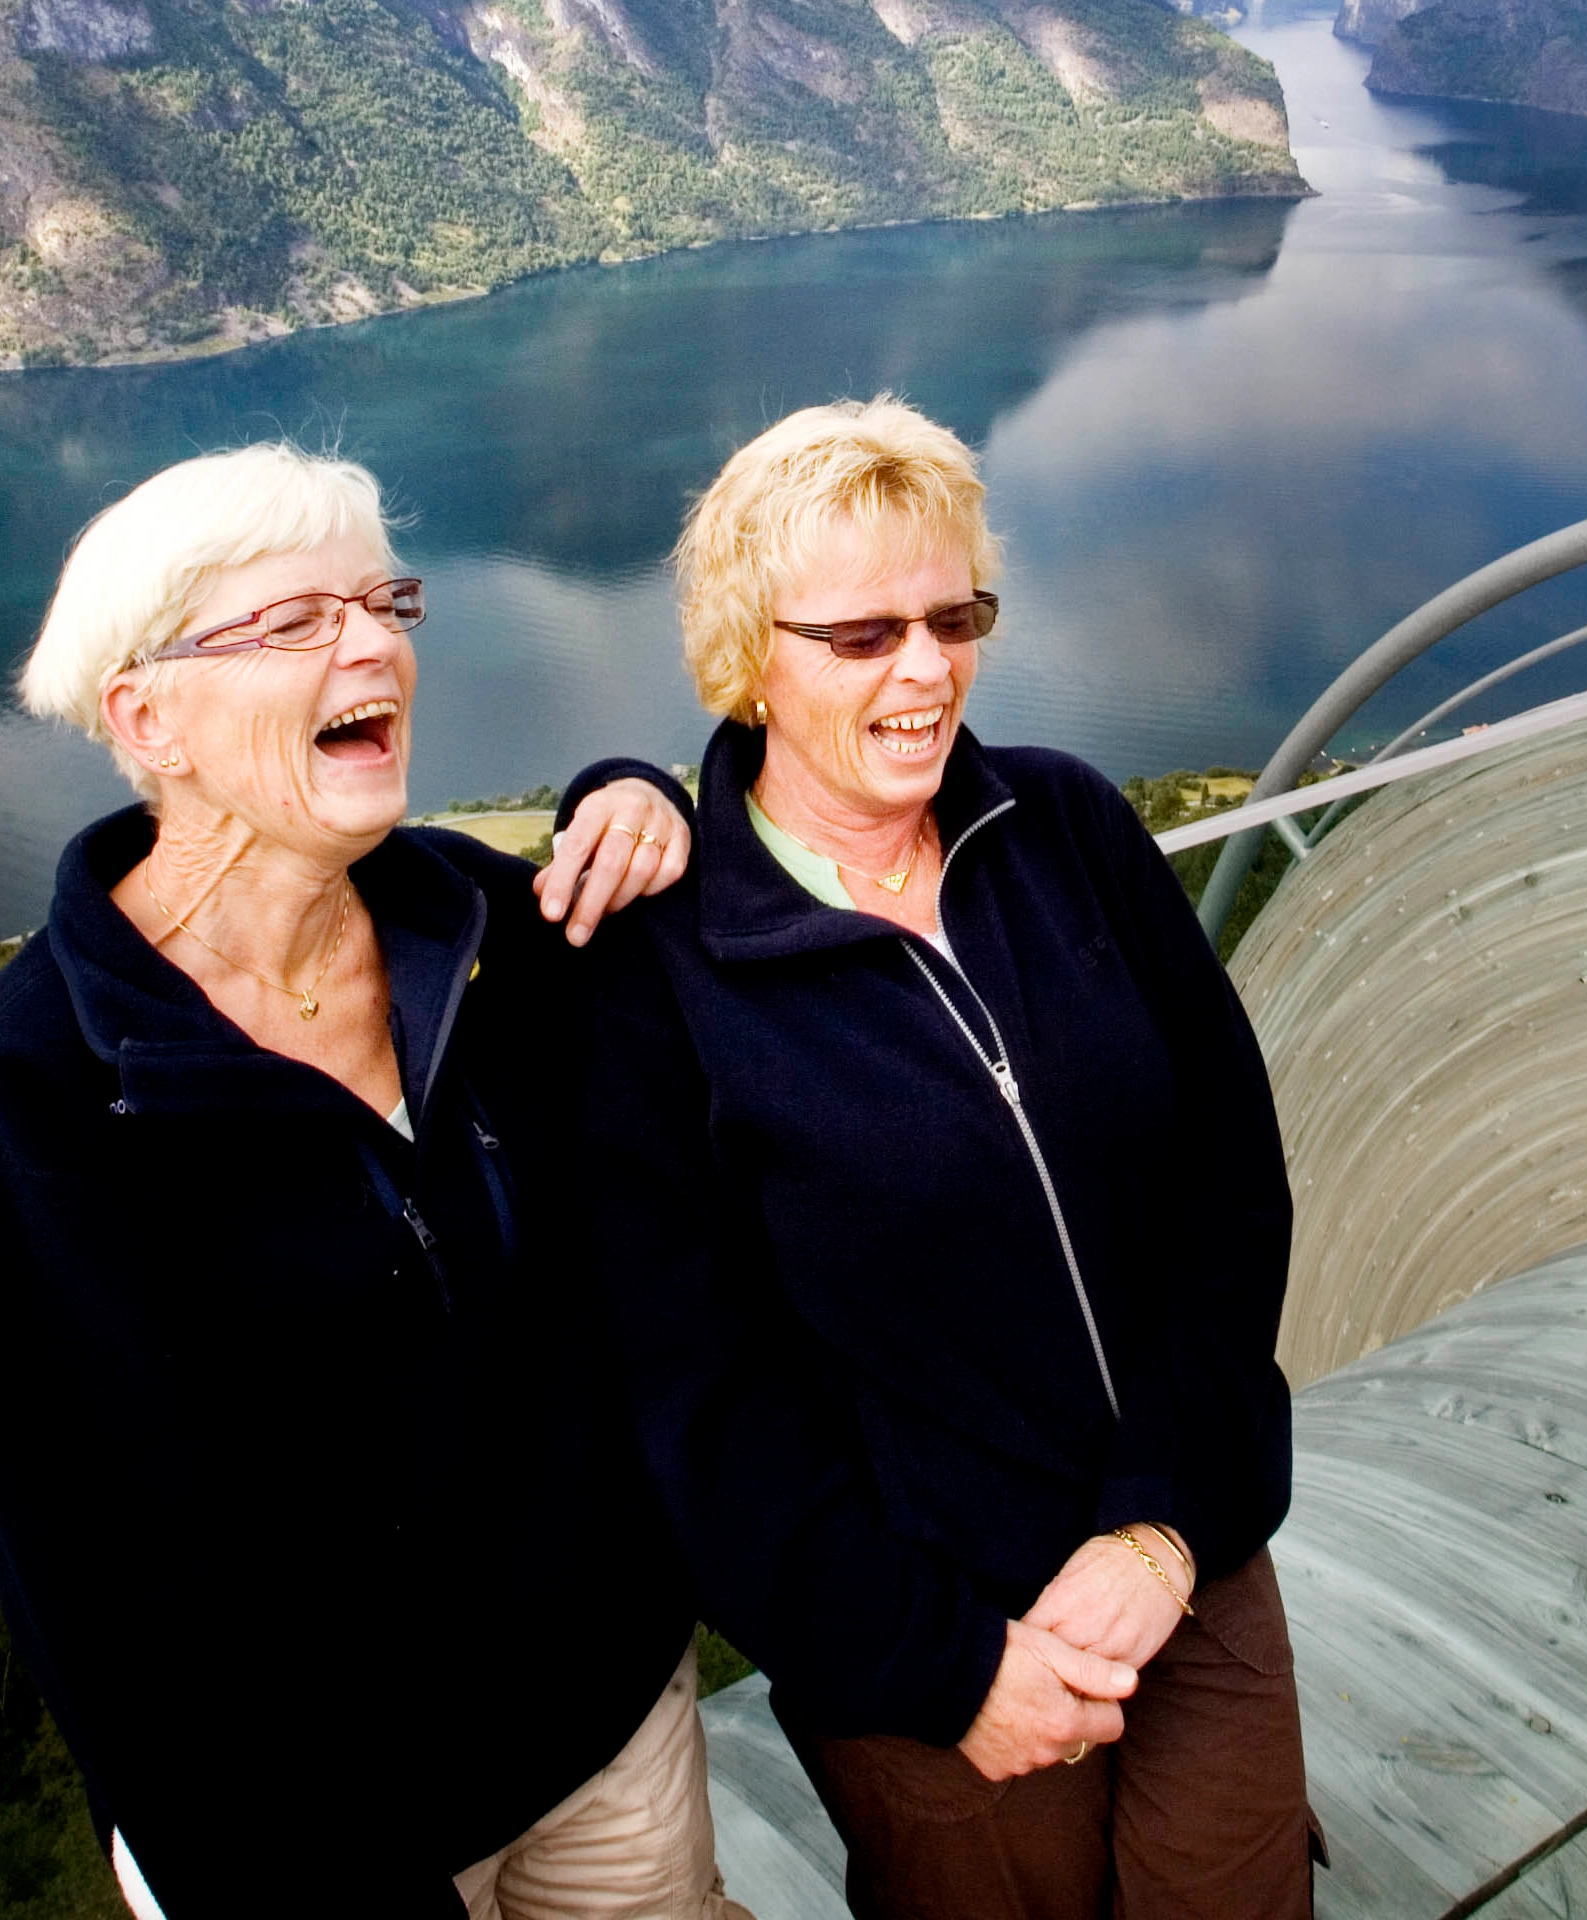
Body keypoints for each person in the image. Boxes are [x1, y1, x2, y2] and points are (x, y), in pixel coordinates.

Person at [577, 396, 1317, 1920]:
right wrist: (942, 1663)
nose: (925, 670)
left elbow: (1224, 1191)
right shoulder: (664, 964)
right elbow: (701, 1399)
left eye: (953, 614)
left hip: (1184, 1554)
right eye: (860, 637)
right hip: (928, 1639)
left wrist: (1164, 1525)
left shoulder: (1064, 827)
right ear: (746, 656)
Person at [0, 442, 746, 1920]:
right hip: (318, 1827)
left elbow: (702, 1118)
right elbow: (104, 1582)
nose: (374, 643)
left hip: (605, 1721)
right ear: (150, 721)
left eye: (381, 602)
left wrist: (640, 797)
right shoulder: (48, 1093)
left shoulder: (480, 933)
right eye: (295, 621)